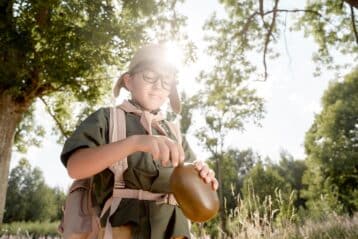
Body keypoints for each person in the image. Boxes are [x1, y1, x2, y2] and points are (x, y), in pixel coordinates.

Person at [61, 43, 218, 239]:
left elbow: (191, 181)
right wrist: (135, 143)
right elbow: (75, 167)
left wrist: (203, 174)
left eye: (166, 81)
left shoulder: (175, 133)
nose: (158, 86)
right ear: (128, 80)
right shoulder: (107, 119)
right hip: (121, 230)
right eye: (150, 76)